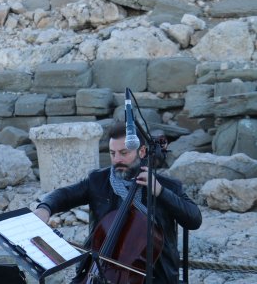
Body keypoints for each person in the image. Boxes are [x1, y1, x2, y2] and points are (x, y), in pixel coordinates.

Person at [33, 121, 202, 284]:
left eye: (124, 153)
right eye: (112, 153)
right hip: (98, 271)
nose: (117, 160)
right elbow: (64, 195)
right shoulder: (98, 181)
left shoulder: (167, 186)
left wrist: (161, 192)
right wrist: (44, 208)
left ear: (142, 151)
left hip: (156, 276)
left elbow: (194, 219)